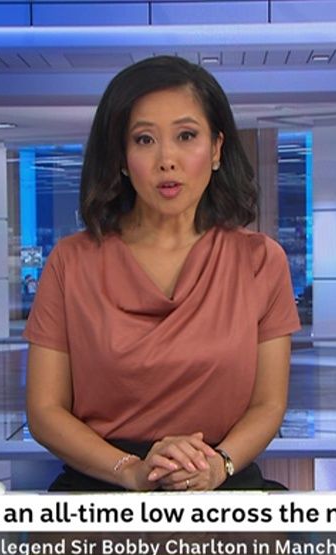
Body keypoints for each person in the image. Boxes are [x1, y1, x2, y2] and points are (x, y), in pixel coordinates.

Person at [24, 56, 300, 492]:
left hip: (222, 482)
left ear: (216, 149)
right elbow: (44, 411)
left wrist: (218, 466)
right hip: (103, 484)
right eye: (145, 139)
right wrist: (132, 470)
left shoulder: (261, 261)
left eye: (186, 136)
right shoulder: (71, 261)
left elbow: (268, 404)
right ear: (120, 156)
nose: (167, 160)